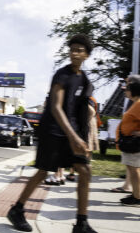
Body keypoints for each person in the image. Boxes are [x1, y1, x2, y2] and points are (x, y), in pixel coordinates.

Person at [7, 34, 96, 233]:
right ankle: (17, 210)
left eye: (79, 50)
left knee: (85, 171)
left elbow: (81, 110)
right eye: (72, 49)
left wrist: (83, 139)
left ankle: (81, 224)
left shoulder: (85, 80)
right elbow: (56, 107)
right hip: (53, 130)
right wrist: (74, 137)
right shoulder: (62, 75)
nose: (74, 53)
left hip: (72, 132)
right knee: (43, 171)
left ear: (87, 55)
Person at [116, 75, 140, 206]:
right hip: (129, 143)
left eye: (127, 89)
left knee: (135, 170)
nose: (125, 91)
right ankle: (135, 194)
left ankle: (137, 197)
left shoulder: (139, 104)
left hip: (134, 144)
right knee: (132, 169)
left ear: (134, 90)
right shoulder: (136, 103)